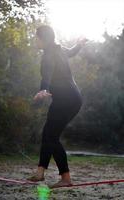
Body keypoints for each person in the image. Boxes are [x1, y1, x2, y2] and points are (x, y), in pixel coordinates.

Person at [28, 25, 87, 188]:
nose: (35, 39)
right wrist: (79, 44)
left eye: (36, 37)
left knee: (51, 136)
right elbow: (72, 52)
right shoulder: (59, 50)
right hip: (73, 98)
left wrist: (43, 89)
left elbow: (46, 74)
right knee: (48, 133)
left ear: (43, 39)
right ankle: (40, 173)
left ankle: (66, 178)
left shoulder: (48, 55)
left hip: (65, 100)